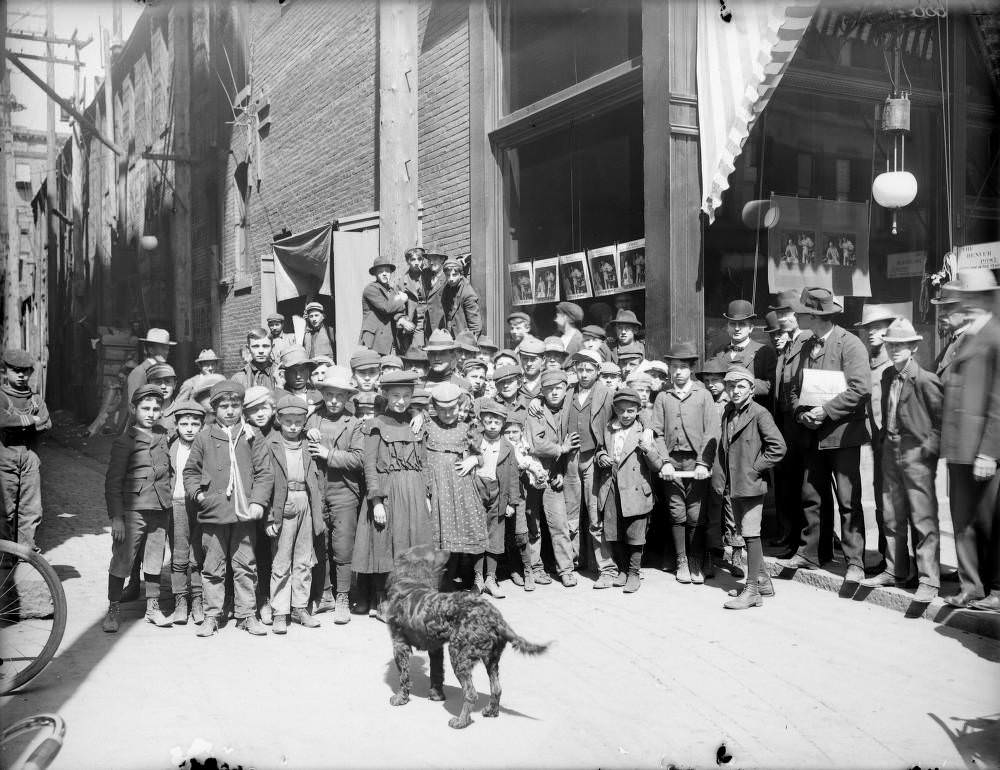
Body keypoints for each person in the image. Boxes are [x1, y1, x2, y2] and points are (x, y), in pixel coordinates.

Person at [781, 288, 870, 586]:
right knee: (811, 495)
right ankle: (809, 553)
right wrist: (799, 413)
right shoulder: (806, 345)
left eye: (802, 313)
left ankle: (854, 562)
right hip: (812, 435)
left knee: (848, 500)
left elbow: (860, 389)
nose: (797, 316)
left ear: (815, 317)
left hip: (842, 436)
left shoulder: (850, 344)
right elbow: (794, 388)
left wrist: (825, 411)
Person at [183, 380, 275, 637]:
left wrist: (258, 501)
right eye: (224, 406)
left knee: (245, 564)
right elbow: (190, 471)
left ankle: (247, 614)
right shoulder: (204, 437)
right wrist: (199, 494)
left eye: (235, 405)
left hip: (244, 512)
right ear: (214, 408)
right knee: (213, 565)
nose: (230, 411)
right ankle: (212, 615)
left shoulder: (251, 435)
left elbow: (264, 473)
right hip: (214, 512)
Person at [860, 319, 943, 603]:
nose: (894, 349)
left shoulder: (925, 379)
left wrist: (926, 450)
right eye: (891, 344)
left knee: (922, 517)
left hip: (916, 454)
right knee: (892, 514)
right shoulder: (886, 376)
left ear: (914, 347)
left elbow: (941, 422)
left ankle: (929, 580)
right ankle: (896, 570)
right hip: (890, 450)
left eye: (901, 345)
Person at [939, 269, 1000, 611]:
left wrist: (989, 451)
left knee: (990, 520)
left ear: (989, 300)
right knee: (962, 520)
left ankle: (996, 590)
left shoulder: (995, 335)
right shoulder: (966, 338)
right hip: (959, 447)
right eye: (967, 299)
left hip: (983, 449)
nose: (971, 304)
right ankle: (971, 586)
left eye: (978, 298)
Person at [354, 370, 435, 621]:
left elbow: (423, 462)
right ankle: (383, 601)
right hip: (388, 493)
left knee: (411, 546)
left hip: (413, 491)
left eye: (407, 396)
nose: (401, 401)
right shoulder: (375, 425)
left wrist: (426, 495)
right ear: (385, 395)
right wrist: (376, 500)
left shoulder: (417, 422)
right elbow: (369, 466)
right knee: (384, 546)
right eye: (395, 395)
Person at [102, 384, 174, 633]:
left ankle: (153, 608)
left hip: (160, 509)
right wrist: (117, 518)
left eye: (156, 408)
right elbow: (113, 483)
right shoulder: (125, 442)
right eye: (145, 408)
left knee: (155, 559)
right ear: (133, 408)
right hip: (133, 512)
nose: (151, 413)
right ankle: (113, 609)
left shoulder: (164, 435)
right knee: (122, 560)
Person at [714, 366, 786, 610]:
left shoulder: (759, 413)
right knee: (746, 534)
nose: (735, 391)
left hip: (752, 485)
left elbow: (778, 447)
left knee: (751, 534)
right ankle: (763, 581)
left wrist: (755, 468)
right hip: (734, 485)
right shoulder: (728, 412)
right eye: (731, 386)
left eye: (741, 386)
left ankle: (753, 590)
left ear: (752, 389)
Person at [651, 342, 718, 584]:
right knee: (676, 510)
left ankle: (696, 559)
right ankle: (681, 559)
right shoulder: (663, 397)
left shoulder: (703, 395)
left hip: (696, 462)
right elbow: (656, 432)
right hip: (672, 462)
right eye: (673, 367)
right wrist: (664, 462)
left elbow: (712, 430)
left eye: (682, 367)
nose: (677, 372)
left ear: (691, 369)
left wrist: (703, 463)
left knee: (696, 512)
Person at [306, 367, 365, 624]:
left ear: (347, 398)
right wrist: (306, 433)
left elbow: (359, 459)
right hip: (317, 490)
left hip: (344, 491)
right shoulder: (312, 418)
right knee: (321, 543)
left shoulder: (354, 424)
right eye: (329, 395)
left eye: (339, 397)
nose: (333, 401)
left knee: (342, 544)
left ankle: (343, 594)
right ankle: (325, 593)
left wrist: (328, 454)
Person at [265, 395, 325, 634]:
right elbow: (263, 483)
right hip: (283, 502)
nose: (293, 426)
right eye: (287, 420)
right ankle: (280, 610)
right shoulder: (270, 444)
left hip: (306, 503)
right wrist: (269, 516)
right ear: (278, 419)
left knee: (304, 558)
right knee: (281, 559)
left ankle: (300, 606)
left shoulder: (307, 443)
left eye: (298, 421)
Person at [596, 387, 659, 593]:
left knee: (635, 533)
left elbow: (657, 464)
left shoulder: (645, 432)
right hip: (612, 485)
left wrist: (647, 449)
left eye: (630, 411)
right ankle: (622, 569)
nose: (625, 415)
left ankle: (633, 572)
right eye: (621, 410)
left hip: (635, 488)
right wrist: (601, 456)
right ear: (615, 409)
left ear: (638, 410)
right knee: (615, 531)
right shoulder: (609, 428)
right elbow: (600, 450)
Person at [561, 349, 616, 584]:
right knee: (570, 515)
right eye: (580, 369)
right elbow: (545, 404)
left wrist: (646, 429)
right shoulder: (567, 393)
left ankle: (607, 569)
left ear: (598, 371)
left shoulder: (607, 394)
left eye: (589, 370)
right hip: (570, 459)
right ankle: (571, 564)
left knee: (595, 515)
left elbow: (628, 414)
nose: (583, 374)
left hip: (593, 458)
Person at [425, 383, 487, 589]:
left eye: (452, 409)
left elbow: (480, 455)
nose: (447, 414)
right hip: (436, 486)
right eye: (441, 409)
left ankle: (477, 577)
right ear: (434, 407)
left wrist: (474, 460)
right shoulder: (427, 424)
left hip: (461, 486)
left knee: (470, 527)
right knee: (441, 535)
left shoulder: (466, 426)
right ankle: (443, 580)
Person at [769, 290, 814, 556]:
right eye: (781, 313)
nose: (783, 318)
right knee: (787, 480)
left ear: (798, 315)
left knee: (804, 483)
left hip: (801, 420)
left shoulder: (807, 341)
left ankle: (804, 541)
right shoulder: (787, 346)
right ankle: (790, 536)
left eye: (787, 313)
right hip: (785, 420)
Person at [525, 369, 578, 587]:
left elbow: (580, 380)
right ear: (542, 391)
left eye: (558, 388)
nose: (554, 393)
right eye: (548, 389)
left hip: (554, 474)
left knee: (559, 523)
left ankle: (565, 569)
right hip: (532, 473)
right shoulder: (536, 411)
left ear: (565, 389)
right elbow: (536, 444)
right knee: (533, 524)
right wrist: (561, 448)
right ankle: (535, 568)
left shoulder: (568, 406)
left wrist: (559, 470)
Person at [856, 304, 898, 572]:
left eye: (878, 328)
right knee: (882, 501)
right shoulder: (867, 363)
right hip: (875, 442)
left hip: (894, 442)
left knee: (893, 501)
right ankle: (887, 559)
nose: (872, 333)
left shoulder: (894, 363)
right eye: (868, 328)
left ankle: (901, 564)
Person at [0, 349, 52, 551]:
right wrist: (31, 420)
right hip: (5, 456)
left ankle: (25, 551)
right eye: (16, 370)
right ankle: (5, 553)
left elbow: (46, 423)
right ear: (6, 372)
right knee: (6, 508)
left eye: (25, 371)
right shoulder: (2, 396)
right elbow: (3, 421)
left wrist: (19, 423)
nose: (21, 375)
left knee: (31, 508)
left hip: (30, 456)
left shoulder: (35, 399)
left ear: (31, 372)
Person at [473, 400, 521, 597]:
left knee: (495, 535)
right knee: (477, 534)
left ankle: (491, 578)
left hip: (498, 492)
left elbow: (513, 475)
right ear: (482, 422)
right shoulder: (474, 441)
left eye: (497, 422)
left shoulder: (507, 446)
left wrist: (511, 502)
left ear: (503, 424)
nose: (493, 426)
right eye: (489, 421)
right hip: (476, 489)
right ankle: (477, 578)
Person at [167, 400, 207, 626]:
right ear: (176, 426)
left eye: (195, 423)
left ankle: (198, 600)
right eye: (184, 423)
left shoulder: (205, 447)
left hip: (200, 505)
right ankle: (180, 600)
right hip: (177, 504)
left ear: (202, 426)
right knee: (179, 554)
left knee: (197, 554)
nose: (190, 428)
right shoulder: (170, 447)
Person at [707, 299, 776, 408]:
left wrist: (737, 386)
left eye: (742, 324)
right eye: (733, 324)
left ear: (751, 328)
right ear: (727, 327)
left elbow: (769, 386)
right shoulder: (719, 352)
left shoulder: (764, 352)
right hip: (723, 412)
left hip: (750, 412)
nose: (737, 328)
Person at [360, 255, 409, 355]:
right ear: (375, 274)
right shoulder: (371, 289)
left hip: (389, 336)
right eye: (380, 271)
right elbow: (386, 308)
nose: (384, 274)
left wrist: (402, 319)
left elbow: (397, 310)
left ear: (390, 273)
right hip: (375, 338)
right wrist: (402, 299)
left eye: (387, 271)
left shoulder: (392, 290)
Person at [126, 328, 176, 406]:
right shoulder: (140, 372)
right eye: (163, 348)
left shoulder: (163, 372)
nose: (166, 352)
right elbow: (133, 405)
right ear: (151, 350)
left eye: (167, 348)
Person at [394, 247, 427, 355]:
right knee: (418, 351)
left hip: (430, 317)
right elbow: (397, 307)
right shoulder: (402, 282)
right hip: (415, 320)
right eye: (413, 260)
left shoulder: (428, 276)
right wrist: (404, 320)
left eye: (419, 259)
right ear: (408, 261)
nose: (416, 262)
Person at [440, 257, 482, 338]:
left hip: (464, 340)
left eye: (454, 275)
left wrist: (470, 344)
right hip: (450, 337)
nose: (451, 279)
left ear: (460, 274)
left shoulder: (468, 293)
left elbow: (475, 325)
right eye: (448, 275)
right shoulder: (447, 288)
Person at [422, 252, 449, 344]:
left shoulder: (448, 277)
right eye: (429, 260)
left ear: (442, 260)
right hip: (429, 325)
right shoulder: (426, 276)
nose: (431, 262)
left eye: (434, 259)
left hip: (442, 325)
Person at [148, 362, 179, 434]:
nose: (163, 387)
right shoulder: (142, 412)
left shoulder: (181, 411)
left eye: (167, 382)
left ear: (174, 384)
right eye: (158, 382)